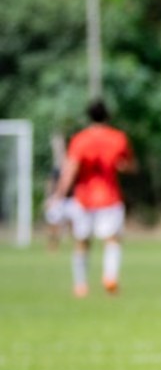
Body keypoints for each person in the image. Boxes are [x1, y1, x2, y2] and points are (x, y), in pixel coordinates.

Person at [51, 100, 135, 297]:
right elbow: (129, 165)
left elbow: (70, 170)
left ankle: (81, 285)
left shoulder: (80, 139)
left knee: (81, 242)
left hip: (84, 198)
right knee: (112, 240)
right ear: (108, 116)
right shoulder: (118, 138)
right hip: (110, 197)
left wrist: (59, 194)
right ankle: (110, 277)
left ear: (88, 116)